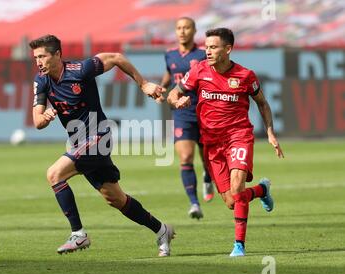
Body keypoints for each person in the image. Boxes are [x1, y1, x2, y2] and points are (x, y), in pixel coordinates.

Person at [29, 34, 175, 257]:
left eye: (42, 56)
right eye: (36, 57)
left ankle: (78, 234)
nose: (38, 62)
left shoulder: (82, 69)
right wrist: (46, 117)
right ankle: (161, 230)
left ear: (57, 54)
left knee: (54, 174)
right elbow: (37, 121)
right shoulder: (41, 81)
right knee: (115, 199)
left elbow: (116, 58)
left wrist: (143, 83)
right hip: (79, 141)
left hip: (99, 136)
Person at [167, 28, 284, 257]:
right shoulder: (199, 70)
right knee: (232, 201)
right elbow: (173, 94)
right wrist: (177, 101)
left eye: (213, 47)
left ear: (227, 49)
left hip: (238, 136)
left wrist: (270, 131)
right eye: (206, 47)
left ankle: (239, 245)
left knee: (238, 188)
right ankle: (261, 189)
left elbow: (262, 103)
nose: (207, 51)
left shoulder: (245, 76)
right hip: (211, 142)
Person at [160, 16, 215, 220]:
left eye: (186, 28)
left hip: (204, 111)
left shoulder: (203, 54)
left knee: (208, 158)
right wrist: (161, 88)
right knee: (185, 157)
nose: (182, 31)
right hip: (181, 113)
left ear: (194, 31)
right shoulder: (169, 55)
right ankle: (194, 203)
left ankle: (208, 177)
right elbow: (169, 74)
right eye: (179, 28)